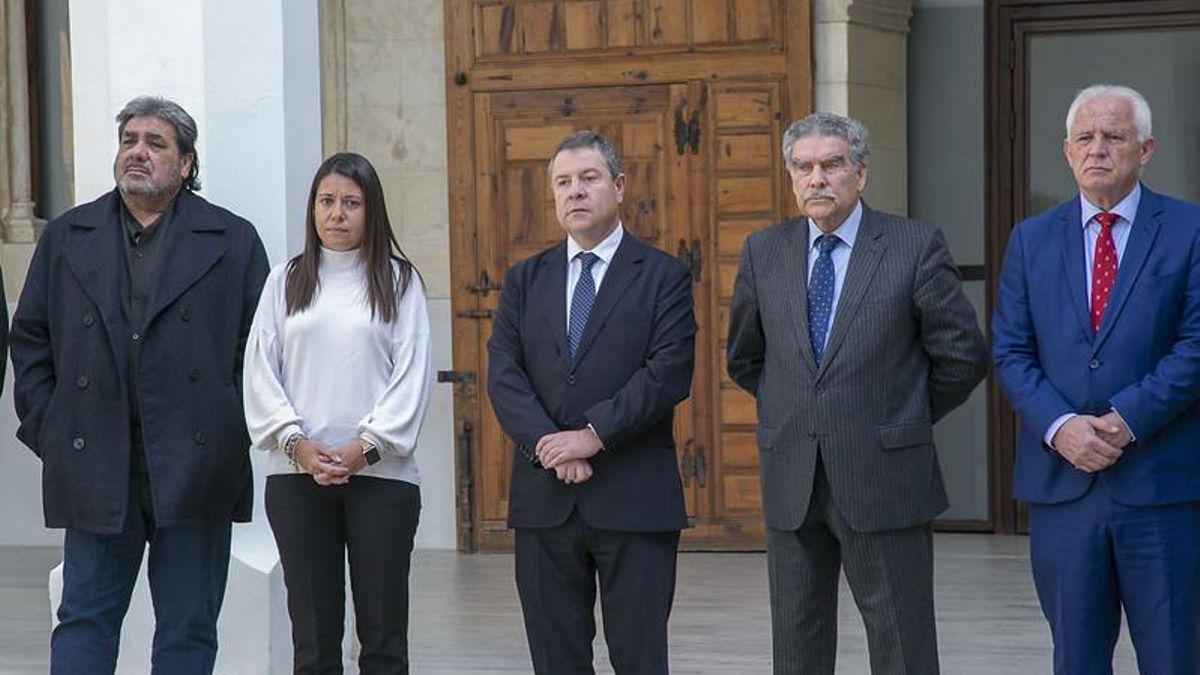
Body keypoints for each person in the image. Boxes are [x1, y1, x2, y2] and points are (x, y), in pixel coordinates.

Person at [9, 95, 269, 674]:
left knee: (187, 630)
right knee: (83, 619)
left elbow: (259, 351)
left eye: (155, 143)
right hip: (96, 458)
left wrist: (230, 431)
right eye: (129, 140)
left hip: (196, 464)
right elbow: (30, 338)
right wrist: (54, 429)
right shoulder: (67, 236)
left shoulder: (232, 240)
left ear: (186, 163)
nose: (138, 153)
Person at [726, 112, 988, 675]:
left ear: (861, 173)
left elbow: (963, 355)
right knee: (796, 647)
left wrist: (901, 414)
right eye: (803, 167)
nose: (816, 178)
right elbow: (746, 360)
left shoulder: (913, 246)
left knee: (901, 645)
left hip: (885, 474)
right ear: (791, 177)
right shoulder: (763, 252)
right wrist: (800, 412)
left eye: (831, 164)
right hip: (793, 475)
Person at [993, 84, 1200, 674]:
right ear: (1066, 151)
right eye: (1085, 137)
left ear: (1146, 148)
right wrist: (1060, 427)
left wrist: (1124, 420)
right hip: (1063, 488)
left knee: (1173, 656)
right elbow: (1010, 350)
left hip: (1162, 487)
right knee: (1076, 659)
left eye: (1114, 136)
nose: (1098, 149)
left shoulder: (1190, 230)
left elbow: (1196, 345)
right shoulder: (1031, 240)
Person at [487, 130, 696, 674]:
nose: (575, 192)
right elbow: (505, 376)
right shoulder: (524, 281)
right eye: (563, 182)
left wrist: (592, 436)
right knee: (556, 661)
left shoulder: (664, 276)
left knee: (640, 658)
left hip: (635, 499)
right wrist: (551, 446)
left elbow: (668, 373)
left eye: (588, 178)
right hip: (544, 501)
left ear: (619, 186)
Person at [242, 152, 432, 674]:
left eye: (351, 203)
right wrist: (298, 446)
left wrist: (363, 449)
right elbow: (260, 372)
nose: (337, 214)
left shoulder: (398, 282)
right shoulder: (286, 280)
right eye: (327, 201)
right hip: (297, 479)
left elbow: (411, 376)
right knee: (314, 640)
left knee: (383, 639)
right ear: (313, 209)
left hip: (383, 480)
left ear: (372, 212)